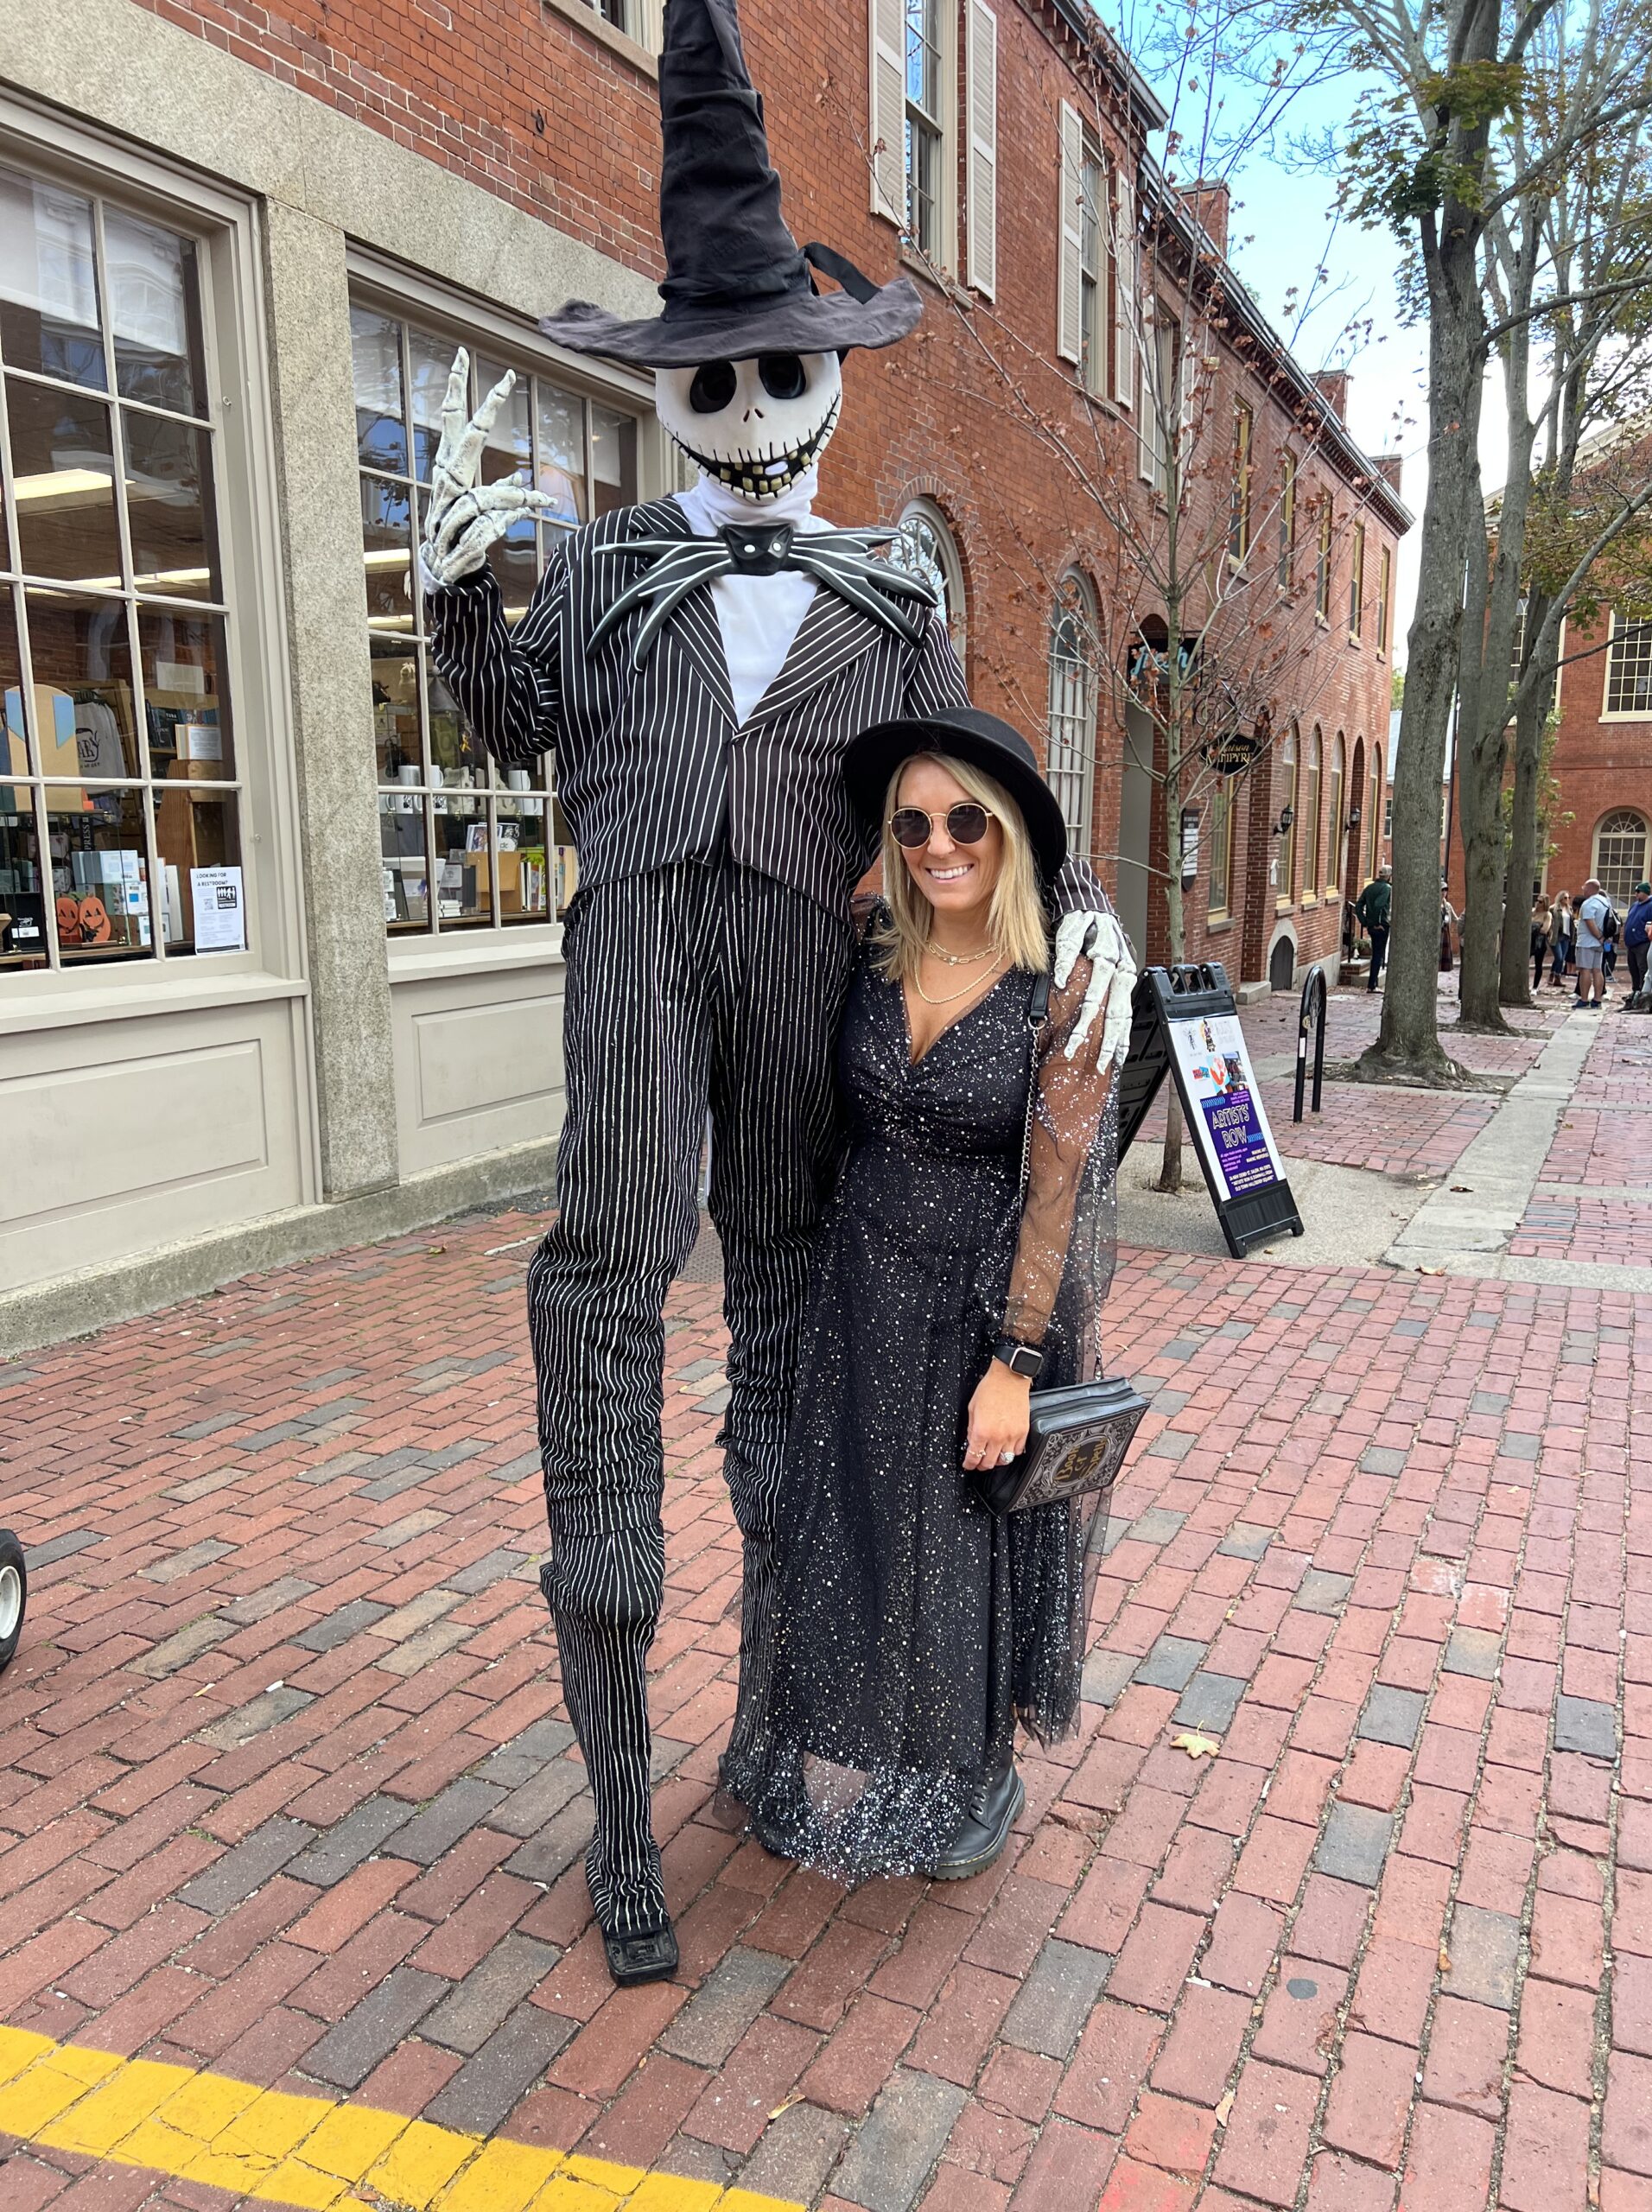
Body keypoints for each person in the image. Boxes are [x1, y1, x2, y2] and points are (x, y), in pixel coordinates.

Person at [412, 0, 1134, 1984]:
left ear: (827, 372)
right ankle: (611, 1793)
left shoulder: (890, 592)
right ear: (676, 379)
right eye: (712, 370)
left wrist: (1082, 910)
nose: (746, 404)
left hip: (814, 989)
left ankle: (765, 1717)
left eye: (777, 367)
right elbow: (513, 723)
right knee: (603, 1327)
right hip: (637, 963)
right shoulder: (614, 568)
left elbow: (960, 802)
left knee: (790, 1364)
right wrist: (457, 599)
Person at [727, 710, 1117, 1884]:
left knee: (962, 1546)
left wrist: (1018, 1360)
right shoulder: (869, 941)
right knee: (854, 1525)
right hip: (860, 1291)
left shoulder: (1069, 976)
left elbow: (1057, 1195)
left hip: (982, 1300)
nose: (940, 844)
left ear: (1007, 836)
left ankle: (977, 1764)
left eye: (965, 823)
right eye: (913, 824)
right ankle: (875, 1734)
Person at [1575, 878, 1611, 1007]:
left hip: (1587, 941)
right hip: (1599, 943)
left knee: (1585, 970)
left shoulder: (1589, 903)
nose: (1583, 889)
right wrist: (1602, 939)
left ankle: (1584, 999)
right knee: (1597, 970)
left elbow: (1590, 922)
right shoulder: (1605, 902)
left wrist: (1599, 936)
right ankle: (1597, 999)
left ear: (1590, 889)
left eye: (1584, 887)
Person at [1355, 863, 1392, 992]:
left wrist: (1365, 921)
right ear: (1388, 877)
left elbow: (1358, 906)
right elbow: (1378, 905)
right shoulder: (1387, 888)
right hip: (1381, 925)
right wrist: (1377, 923)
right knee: (1378, 954)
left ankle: (1373, 983)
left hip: (1371, 925)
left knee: (1376, 954)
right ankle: (1372, 985)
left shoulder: (1369, 887)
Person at [1627, 883, 1652, 996]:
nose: (1636, 894)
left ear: (1645, 892)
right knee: (1633, 969)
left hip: (1643, 943)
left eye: (1638, 892)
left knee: (1642, 969)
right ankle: (1635, 992)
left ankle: (1644, 993)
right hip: (1632, 944)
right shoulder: (1635, 905)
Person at [1548, 891, 1573, 987]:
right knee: (1558, 957)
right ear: (1560, 899)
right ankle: (1553, 973)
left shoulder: (1569, 909)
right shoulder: (1553, 909)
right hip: (1557, 936)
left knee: (1562, 958)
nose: (1567, 900)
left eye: (1568, 898)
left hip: (1566, 936)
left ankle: (1557, 978)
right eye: (1565, 898)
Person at [1529, 893, 1551, 992]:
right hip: (1529, 941)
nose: (1538, 903)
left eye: (1541, 901)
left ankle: (1535, 987)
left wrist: (1535, 928)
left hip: (1540, 941)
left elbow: (1545, 929)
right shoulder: (1532, 912)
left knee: (1538, 964)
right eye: (1537, 900)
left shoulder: (1547, 914)